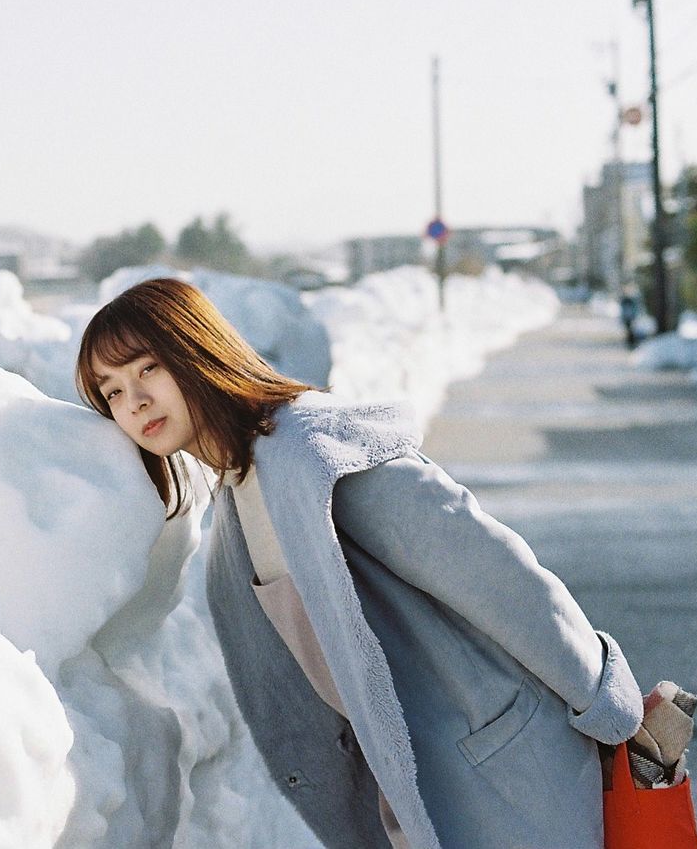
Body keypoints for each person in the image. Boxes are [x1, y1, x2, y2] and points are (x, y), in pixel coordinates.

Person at [75, 277, 644, 849]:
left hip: (500, 770)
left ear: (194, 350)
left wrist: (606, 701)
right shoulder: (236, 501)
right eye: (112, 391)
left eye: (147, 369)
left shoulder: (311, 452)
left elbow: (498, 576)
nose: (135, 401)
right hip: (422, 784)